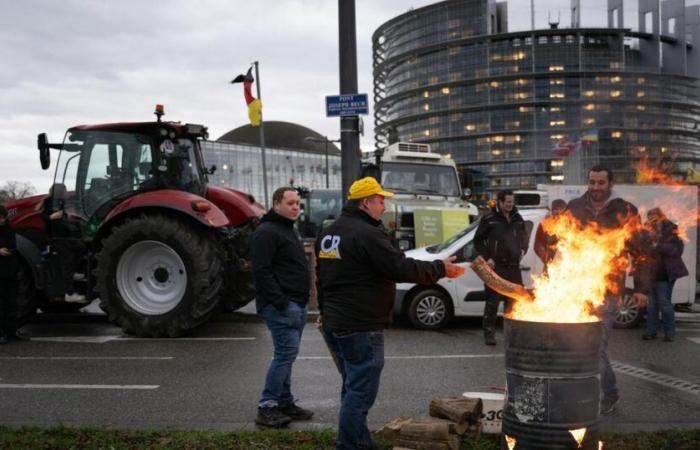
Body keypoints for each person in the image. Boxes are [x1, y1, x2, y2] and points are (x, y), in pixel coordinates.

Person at [316, 177, 464, 450]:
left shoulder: (329, 232)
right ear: (366, 202)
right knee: (360, 392)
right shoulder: (367, 234)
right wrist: (440, 269)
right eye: (380, 200)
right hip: (361, 324)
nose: (383, 207)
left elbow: (321, 277)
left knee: (351, 388)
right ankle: (349, 445)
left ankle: (359, 442)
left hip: (337, 322)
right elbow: (399, 267)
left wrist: (324, 312)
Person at [567, 165, 650, 414]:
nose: (595, 188)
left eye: (600, 183)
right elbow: (562, 243)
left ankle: (609, 395)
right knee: (574, 344)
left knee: (596, 345)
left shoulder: (624, 210)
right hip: (577, 287)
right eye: (592, 182)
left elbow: (641, 251)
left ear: (610, 183)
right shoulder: (575, 207)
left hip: (607, 288)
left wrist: (641, 288)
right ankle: (585, 392)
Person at [250, 187, 313, 428]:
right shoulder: (266, 232)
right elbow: (262, 272)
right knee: (285, 354)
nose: (296, 207)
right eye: (290, 203)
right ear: (276, 204)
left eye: (298, 203)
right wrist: (282, 302)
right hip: (281, 307)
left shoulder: (286, 229)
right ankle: (267, 406)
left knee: (287, 355)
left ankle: (284, 401)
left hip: (295, 304)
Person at [474, 189, 529, 346]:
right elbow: (478, 241)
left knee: (514, 301)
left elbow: (524, 237)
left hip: (513, 267)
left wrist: (523, 249)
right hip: (495, 267)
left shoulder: (518, 219)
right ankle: (489, 334)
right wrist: (487, 258)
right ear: (500, 201)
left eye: (512, 202)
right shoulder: (489, 219)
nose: (510, 205)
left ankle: (511, 334)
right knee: (492, 301)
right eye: (507, 202)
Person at [642, 207, 688, 342]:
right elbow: (642, 249)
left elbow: (676, 251)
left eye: (654, 218)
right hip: (651, 273)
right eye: (649, 218)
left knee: (664, 303)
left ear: (662, 217)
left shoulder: (672, 229)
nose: (652, 221)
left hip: (665, 273)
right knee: (651, 305)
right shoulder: (647, 230)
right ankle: (651, 332)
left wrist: (657, 245)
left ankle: (670, 333)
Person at [0, 205, 29, 343]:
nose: (1, 220)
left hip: (10, 269)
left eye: (3, 217)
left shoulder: (9, 229)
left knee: (12, 302)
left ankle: (11, 331)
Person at [534, 199, 567, 268]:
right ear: (552, 211)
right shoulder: (545, 224)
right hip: (551, 266)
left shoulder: (573, 225)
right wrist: (547, 259)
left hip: (568, 266)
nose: (558, 212)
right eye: (556, 209)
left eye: (561, 209)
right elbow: (537, 246)